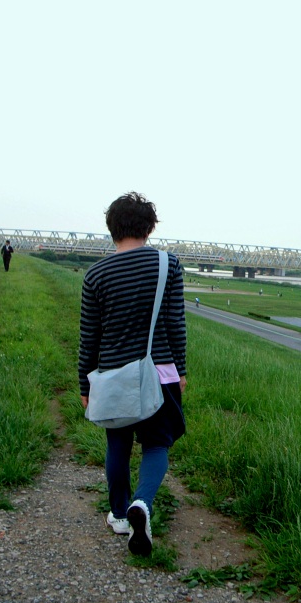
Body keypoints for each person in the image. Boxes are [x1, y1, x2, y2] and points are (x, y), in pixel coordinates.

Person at [78, 192, 187, 555]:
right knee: (156, 444)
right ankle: (143, 502)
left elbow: (89, 337)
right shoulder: (167, 264)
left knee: (118, 445)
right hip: (160, 371)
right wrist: (181, 370)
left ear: (112, 228)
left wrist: (84, 384)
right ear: (149, 228)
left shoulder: (95, 275)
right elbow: (175, 323)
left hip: (113, 374)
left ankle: (120, 514)